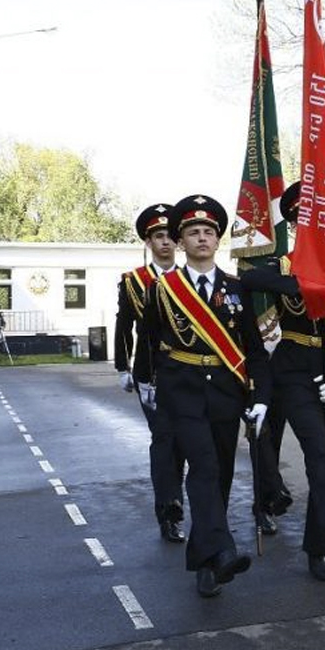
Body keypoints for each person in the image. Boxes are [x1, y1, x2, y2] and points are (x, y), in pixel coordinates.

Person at [135, 196, 269, 597]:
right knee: (205, 466)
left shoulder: (235, 289)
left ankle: (206, 560)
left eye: (209, 232)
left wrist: (261, 396)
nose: (202, 237)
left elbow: (254, 348)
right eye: (193, 232)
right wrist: (145, 381)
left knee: (222, 472)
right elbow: (149, 340)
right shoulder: (164, 290)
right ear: (180, 242)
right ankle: (223, 549)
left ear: (217, 240)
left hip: (227, 391)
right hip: (183, 390)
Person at [238, 220, 325, 583]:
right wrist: (303, 284)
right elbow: (247, 281)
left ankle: (317, 548)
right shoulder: (282, 265)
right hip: (294, 370)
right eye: (302, 220)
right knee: (316, 450)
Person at [115, 203, 186, 543]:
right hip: (151, 375)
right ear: (148, 242)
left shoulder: (190, 281)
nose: (166, 243)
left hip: (186, 374)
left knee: (184, 442)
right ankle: (168, 508)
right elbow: (123, 326)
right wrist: (122, 366)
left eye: (171, 236)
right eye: (159, 237)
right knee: (164, 437)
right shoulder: (134, 282)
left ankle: (176, 499)